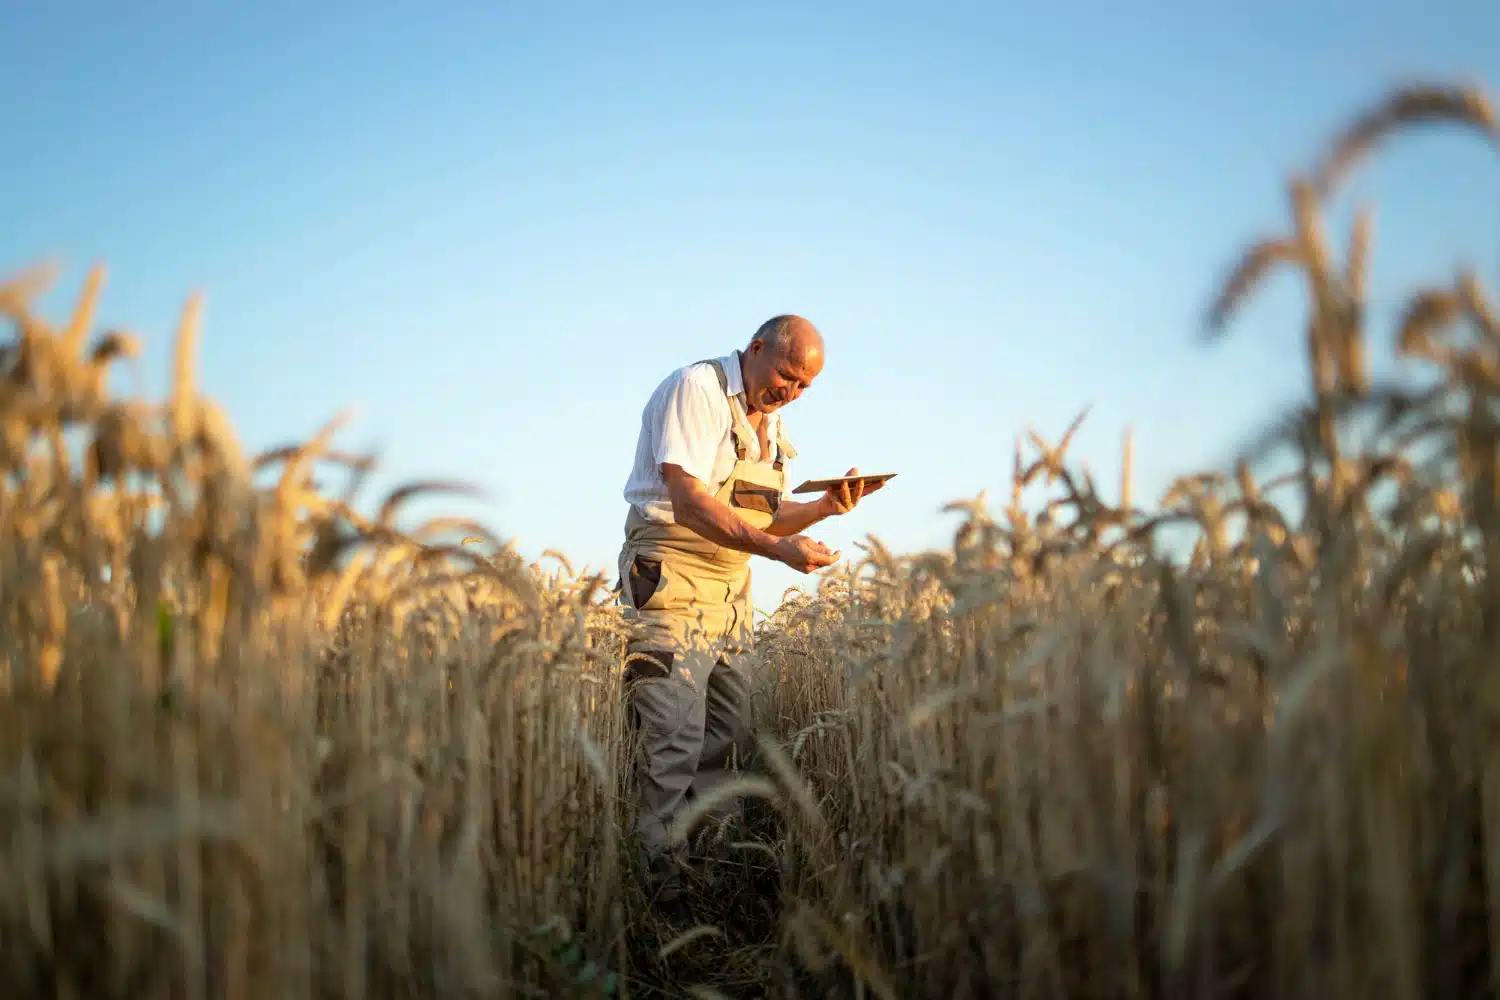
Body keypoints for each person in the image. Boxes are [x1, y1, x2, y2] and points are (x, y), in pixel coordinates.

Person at [616, 314, 881, 903]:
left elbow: (764, 516)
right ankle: (658, 891)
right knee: (672, 738)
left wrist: (823, 510)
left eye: (804, 387)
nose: (791, 392)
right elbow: (689, 502)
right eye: (786, 375)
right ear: (756, 348)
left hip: (731, 585)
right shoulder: (698, 389)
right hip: (670, 574)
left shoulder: (773, 427)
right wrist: (778, 552)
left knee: (727, 735)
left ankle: (713, 880)